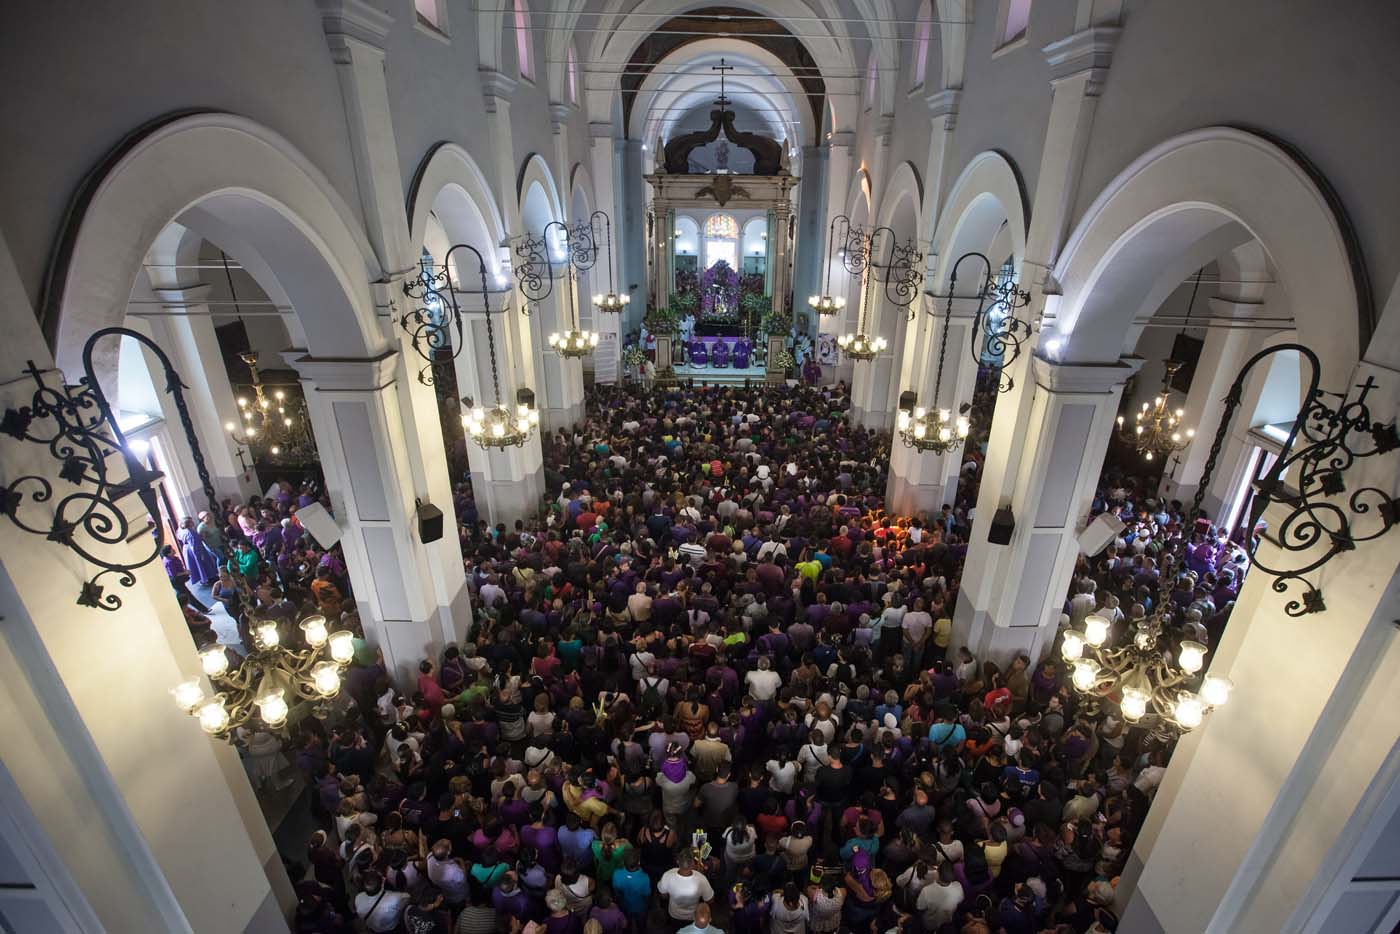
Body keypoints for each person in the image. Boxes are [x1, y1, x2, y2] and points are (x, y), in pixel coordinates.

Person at [657, 850, 715, 929]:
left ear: (677, 861)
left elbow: (663, 896)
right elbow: (710, 900)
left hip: (674, 914)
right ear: (693, 864)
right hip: (693, 916)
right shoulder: (701, 879)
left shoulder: (667, 875)